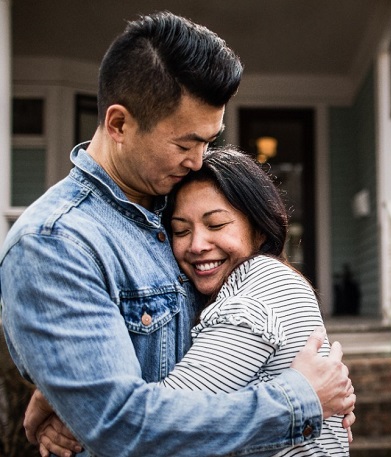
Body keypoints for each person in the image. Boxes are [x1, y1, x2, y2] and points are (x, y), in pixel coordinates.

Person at [0, 11, 354, 457]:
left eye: (209, 142)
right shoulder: (56, 242)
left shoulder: (176, 202)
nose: (198, 160)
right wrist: (299, 403)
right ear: (118, 125)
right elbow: (122, 427)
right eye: (185, 144)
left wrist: (320, 406)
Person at [161, 147, 349, 456]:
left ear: (259, 229)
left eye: (216, 225)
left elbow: (169, 420)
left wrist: (76, 416)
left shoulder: (261, 284)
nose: (196, 245)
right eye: (181, 230)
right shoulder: (260, 281)